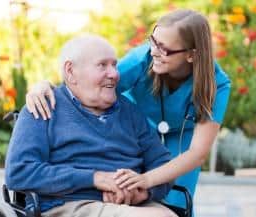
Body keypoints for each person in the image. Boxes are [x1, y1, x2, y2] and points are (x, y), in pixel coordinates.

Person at [25, 9, 231, 215]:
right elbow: (86, 88)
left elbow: (197, 154)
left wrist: (146, 181)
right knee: (132, 192)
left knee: (177, 202)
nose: (154, 52)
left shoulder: (216, 84)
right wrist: (45, 86)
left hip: (183, 133)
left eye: (164, 49)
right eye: (153, 41)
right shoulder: (141, 60)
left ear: (191, 54)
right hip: (140, 125)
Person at [5, 35, 178, 217]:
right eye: (102, 65)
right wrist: (95, 178)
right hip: (70, 204)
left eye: (114, 65)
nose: (114, 74)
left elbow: (163, 164)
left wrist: (144, 190)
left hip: (132, 205)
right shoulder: (43, 107)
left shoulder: (130, 112)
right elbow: (19, 171)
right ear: (70, 71)